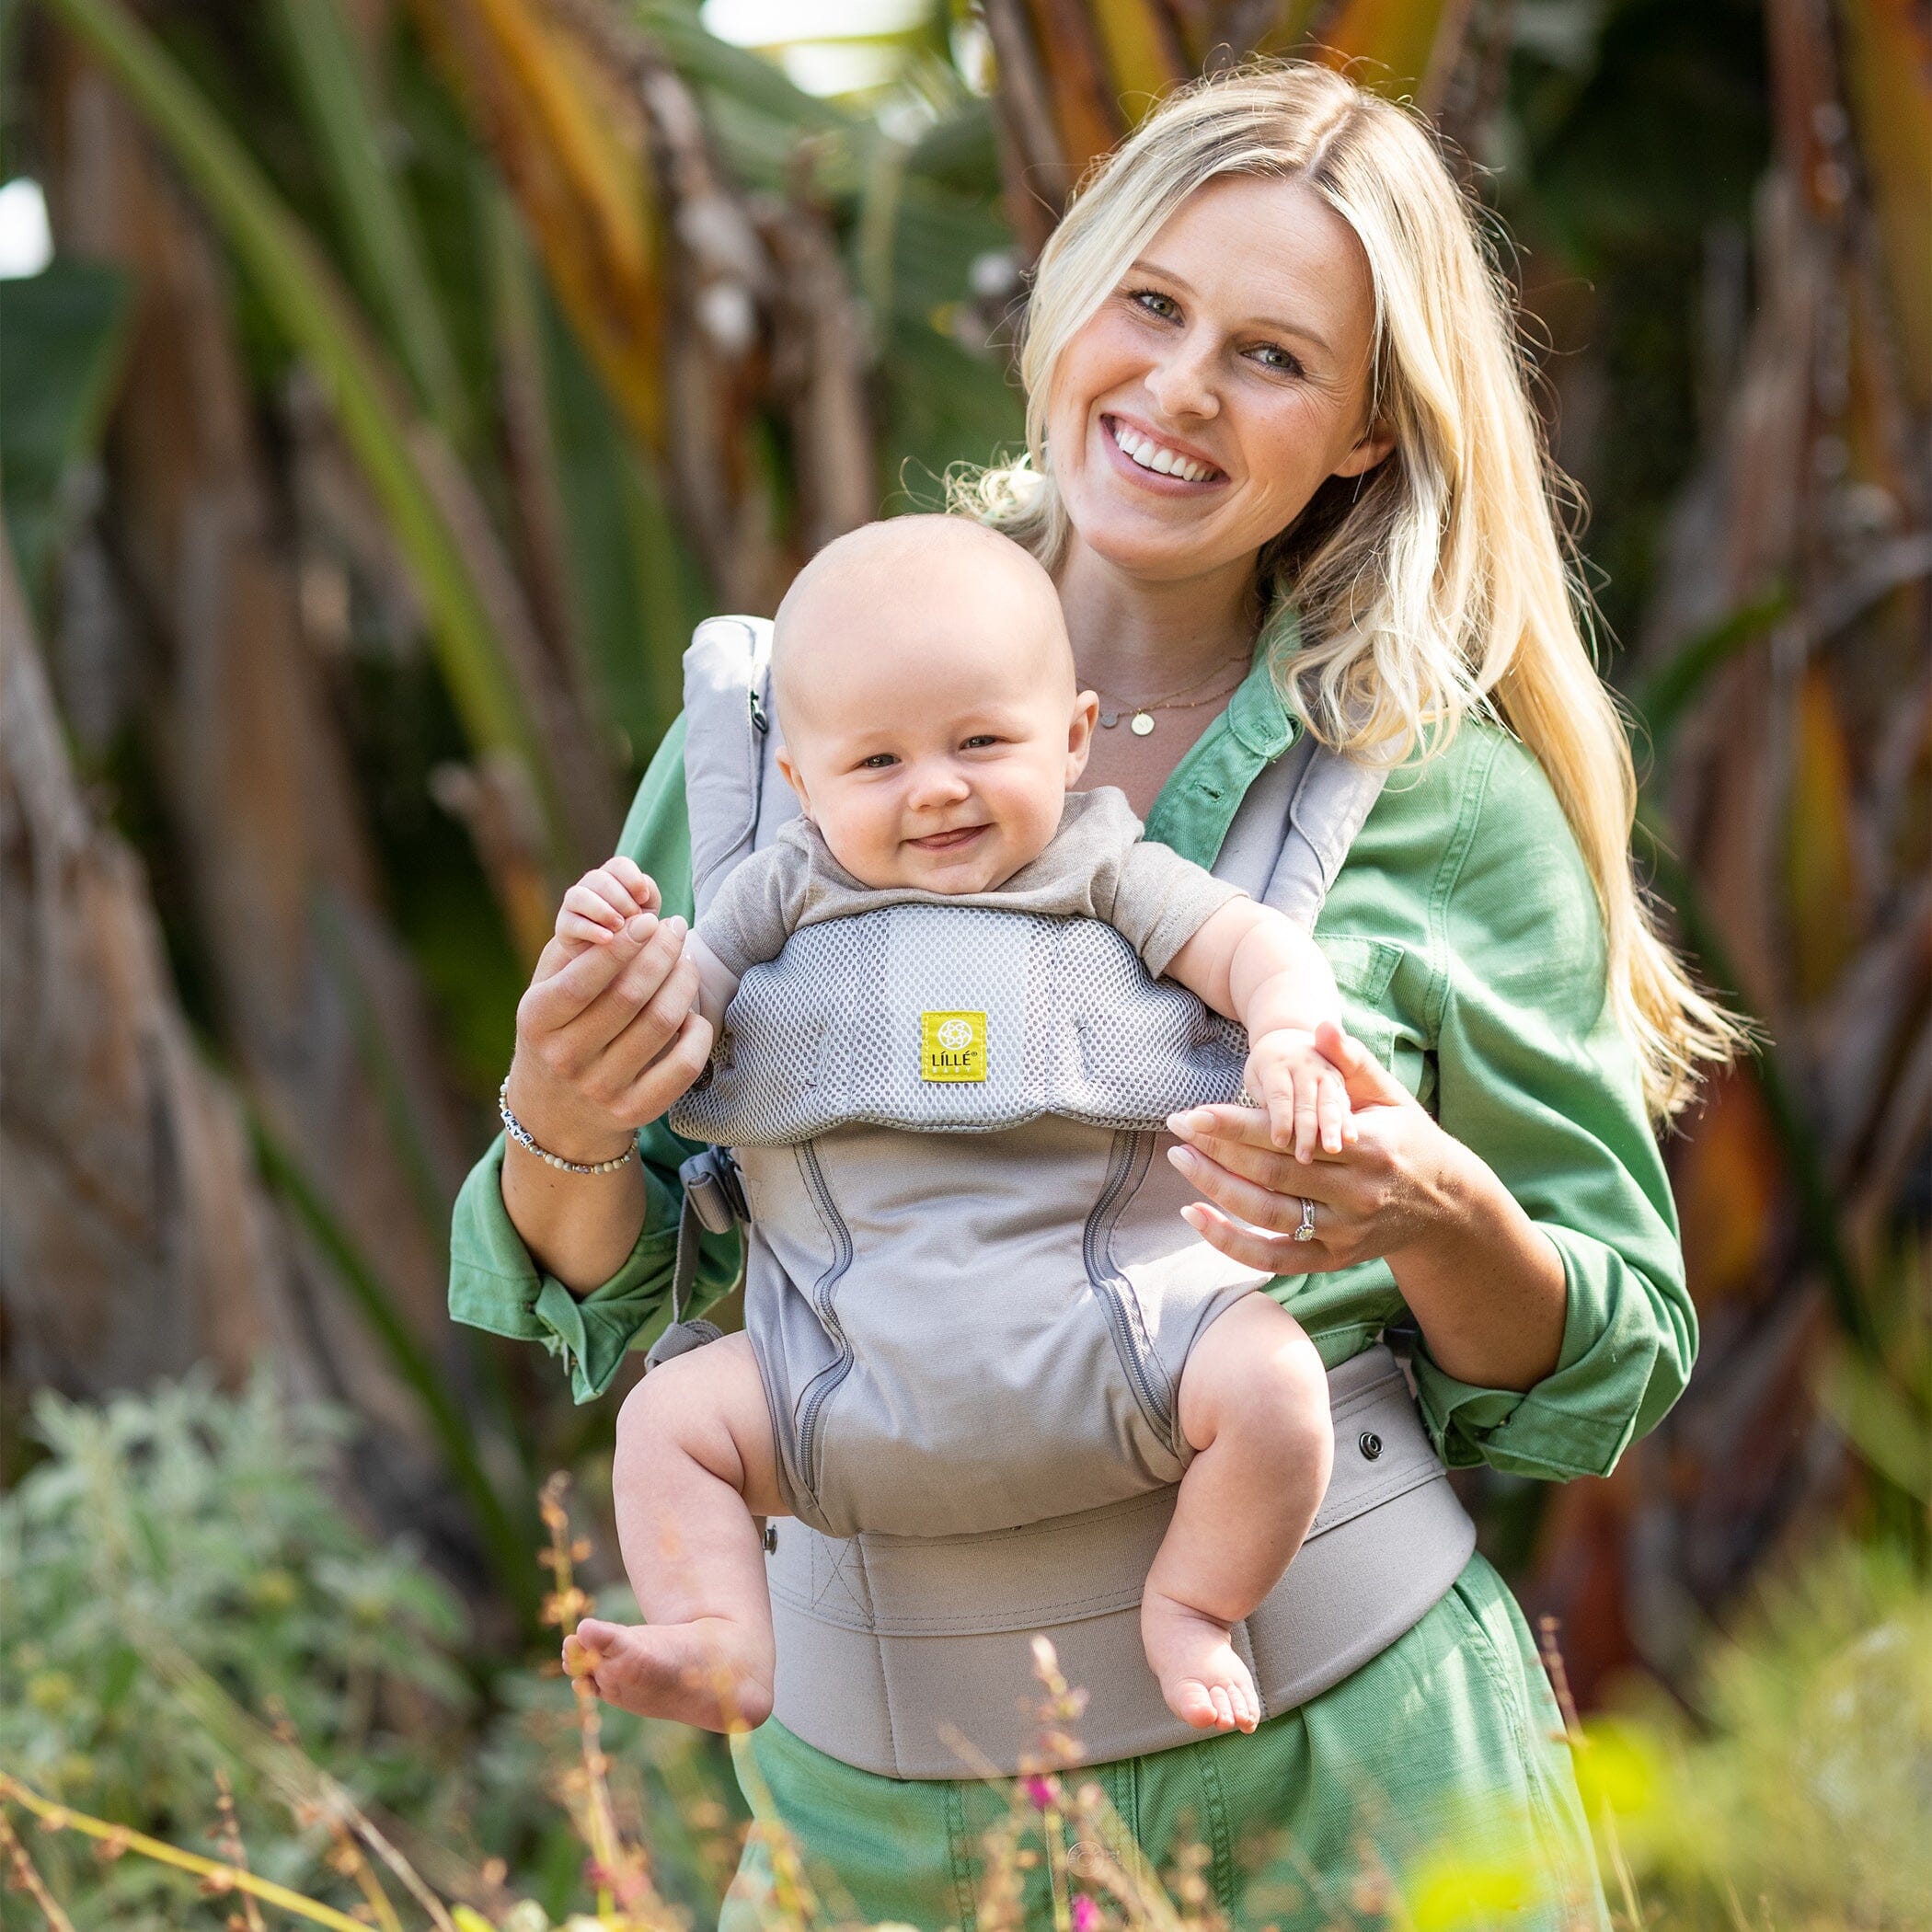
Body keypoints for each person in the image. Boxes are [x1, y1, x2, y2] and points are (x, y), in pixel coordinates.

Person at [451, 61, 1734, 1928]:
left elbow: (1608, 1356)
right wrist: (560, 1124)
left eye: (1275, 357)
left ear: (1369, 431)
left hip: (1353, 1787)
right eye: (1152, 303)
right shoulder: (773, 735)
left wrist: (1442, 1216)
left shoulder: (1443, 795)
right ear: (1068, 298)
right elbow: (615, 1283)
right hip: (872, 1829)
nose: (1182, 386)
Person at [550, 514, 1349, 1741]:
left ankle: (1193, 1604)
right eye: (877, 765)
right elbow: (673, 1013)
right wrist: (619, 958)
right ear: (801, 785)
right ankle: (722, 1639)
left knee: (1283, 1387)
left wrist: (1289, 1031)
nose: (936, 787)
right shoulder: (782, 889)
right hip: (832, 1382)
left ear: (1074, 740)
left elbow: (1251, 948)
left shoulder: (1104, 866)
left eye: (982, 741)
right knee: (668, 1423)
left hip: (1128, 1348)